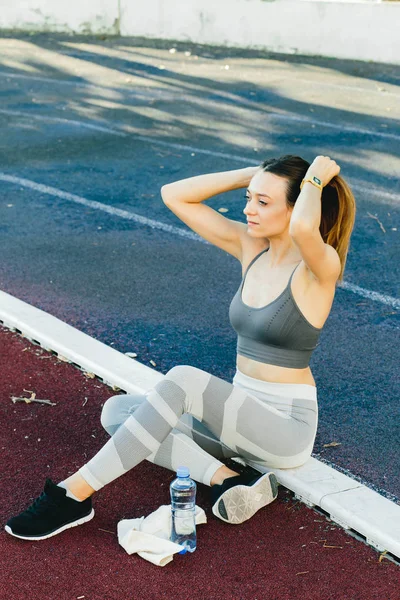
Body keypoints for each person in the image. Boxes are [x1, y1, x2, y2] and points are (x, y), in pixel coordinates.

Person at [5, 154, 356, 541]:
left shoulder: (320, 268)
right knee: (118, 412)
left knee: (184, 382)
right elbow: (175, 195)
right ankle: (227, 478)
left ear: (297, 207)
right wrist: (252, 177)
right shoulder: (250, 248)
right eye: (249, 198)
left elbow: (306, 228)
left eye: (263, 202)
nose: (248, 209)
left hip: (284, 429)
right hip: (237, 419)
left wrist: (316, 180)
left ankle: (74, 494)